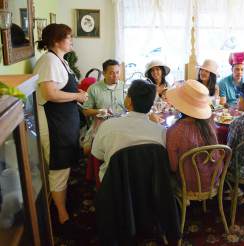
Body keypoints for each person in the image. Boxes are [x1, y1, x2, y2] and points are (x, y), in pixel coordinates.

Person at [34, 24, 88, 233]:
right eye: (69, 37)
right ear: (57, 41)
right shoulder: (49, 61)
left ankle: (63, 203)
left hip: (64, 123)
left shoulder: (59, 61)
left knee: (64, 167)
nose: (72, 40)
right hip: (54, 124)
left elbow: (60, 87)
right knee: (58, 168)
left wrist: (77, 92)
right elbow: (49, 93)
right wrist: (76, 96)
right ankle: (62, 216)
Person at [91, 79, 166, 181]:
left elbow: (97, 154)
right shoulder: (161, 131)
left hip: (114, 186)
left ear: (129, 101)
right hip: (149, 186)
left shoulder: (107, 126)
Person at [166, 80, 219, 192]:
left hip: (188, 185)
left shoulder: (174, 131)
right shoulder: (211, 125)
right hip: (213, 180)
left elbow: (173, 167)